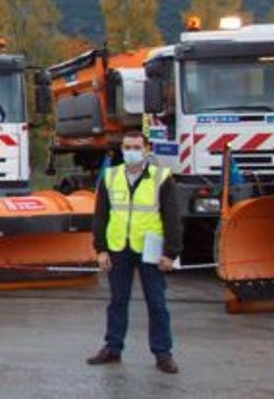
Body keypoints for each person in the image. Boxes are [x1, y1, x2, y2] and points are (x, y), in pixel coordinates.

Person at [86, 131, 182, 374]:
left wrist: (171, 252)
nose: (131, 151)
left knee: (156, 303)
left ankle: (163, 354)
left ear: (147, 149)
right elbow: (100, 216)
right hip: (118, 248)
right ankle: (113, 347)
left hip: (150, 249)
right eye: (127, 147)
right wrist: (101, 249)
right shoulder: (110, 176)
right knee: (117, 301)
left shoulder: (162, 178)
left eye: (136, 147)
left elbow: (172, 218)